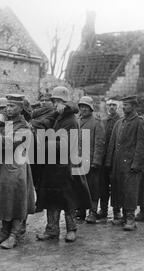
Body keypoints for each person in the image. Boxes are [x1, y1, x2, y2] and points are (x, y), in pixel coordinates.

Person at [36, 86, 92, 243]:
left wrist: (44, 141)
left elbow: (65, 145)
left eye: (58, 101)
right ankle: (52, 230)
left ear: (65, 102)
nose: (55, 104)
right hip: (53, 166)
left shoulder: (71, 121)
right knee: (51, 199)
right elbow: (43, 123)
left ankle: (71, 229)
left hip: (66, 167)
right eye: (54, 101)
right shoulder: (58, 116)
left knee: (68, 200)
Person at [0, 95, 35, 249]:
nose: (8, 108)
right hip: (2, 167)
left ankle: (15, 234)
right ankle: (5, 230)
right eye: (8, 105)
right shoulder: (6, 123)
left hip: (16, 169)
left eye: (12, 106)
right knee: (4, 198)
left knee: (17, 200)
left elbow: (9, 143)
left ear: (21, 108)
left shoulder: (25, 128)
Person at [105, 95, 144, 231]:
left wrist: (136, 164)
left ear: (134, 107)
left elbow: (142, 146)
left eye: (127, 105)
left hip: (131, 165)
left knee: (131, 191)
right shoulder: (119, 122)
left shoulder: (140, 123)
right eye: (123, 105)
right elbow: (112, 144)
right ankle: (123, 217)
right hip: (118, 164)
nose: (124, 107)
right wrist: (109, 162)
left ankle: (130, 218)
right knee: (119, 190)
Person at [76, 96, 106, 223]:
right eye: (81, 107)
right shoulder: (76, 121)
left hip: (91, 161)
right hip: (77, 161)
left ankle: (92, 212)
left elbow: (100, 143)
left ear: (91, 109)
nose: (83, 109)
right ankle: (81, 211)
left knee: (92, 188)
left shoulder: (96, 123)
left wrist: (96, 161)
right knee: (80, 187)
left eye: (86, 107)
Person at [98, 98, 122, 223]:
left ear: (118, 107)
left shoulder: (121, 121)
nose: (111, 107)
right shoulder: (103, 121)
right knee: (103, 185)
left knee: (116, 185)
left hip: (116, 159)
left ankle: (117, 211)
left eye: (114, 105)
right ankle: (103, 210)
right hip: (103, 159)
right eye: (109, 105)